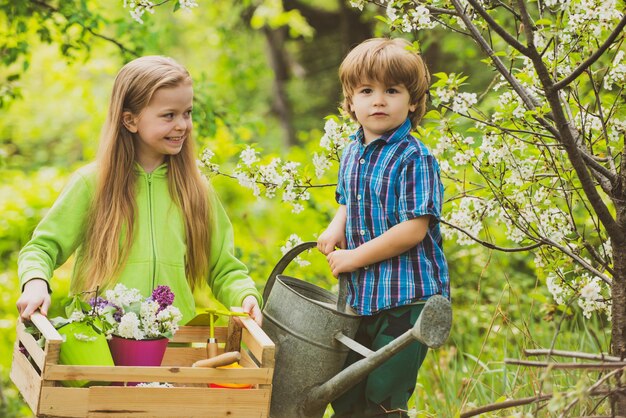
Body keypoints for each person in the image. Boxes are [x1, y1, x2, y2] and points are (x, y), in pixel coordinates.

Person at [16, 55, 263, 326]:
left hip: (171, 350)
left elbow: (224, 267)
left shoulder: (196, 189)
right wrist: (35, 282)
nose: (182, 125)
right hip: (100, 345)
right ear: (130, 120)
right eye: (169, 115)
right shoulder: (92, 183)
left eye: (187, 113)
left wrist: (244, 295)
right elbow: (42, 248)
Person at [317, 38, 450, 417]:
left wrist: (354, 257)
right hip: (362, 299)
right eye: (367, 91)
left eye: (391, 91)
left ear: (412, 102)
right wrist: (335, 225)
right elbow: (349, 200)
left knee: (383, 395)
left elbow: (414, 229)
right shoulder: (352, 151)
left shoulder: (416, 158)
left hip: (408, 300)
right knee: (346, 392)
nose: (378, 100)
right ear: (350, 102)